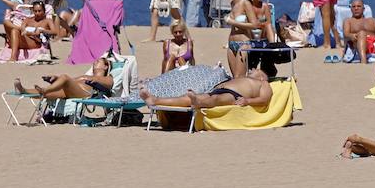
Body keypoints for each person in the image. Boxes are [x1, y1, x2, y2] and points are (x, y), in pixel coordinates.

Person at [141, 68, 274, 111]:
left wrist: (247, 101)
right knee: (187, 98)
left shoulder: (264, 84)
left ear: (262, 77)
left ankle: (198, 103)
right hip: (219, 89)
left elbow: (264, 99)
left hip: (234, 95)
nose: (252, 69)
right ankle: (155, 100)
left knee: (215, 99)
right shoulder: (245, 78)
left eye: (256, 70)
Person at [14, 57, 113, 100]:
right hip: (73, 91)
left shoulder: (107, 78)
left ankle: (45, 89)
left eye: (99, 61)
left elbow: (109, 84)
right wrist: (57, 79)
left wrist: (95, 80)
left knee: (64, 77)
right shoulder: (87, 75)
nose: (95, 62)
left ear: (106, 66)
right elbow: (72, 81)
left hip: (85, 94)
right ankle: (23, 90)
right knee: (49, 94)